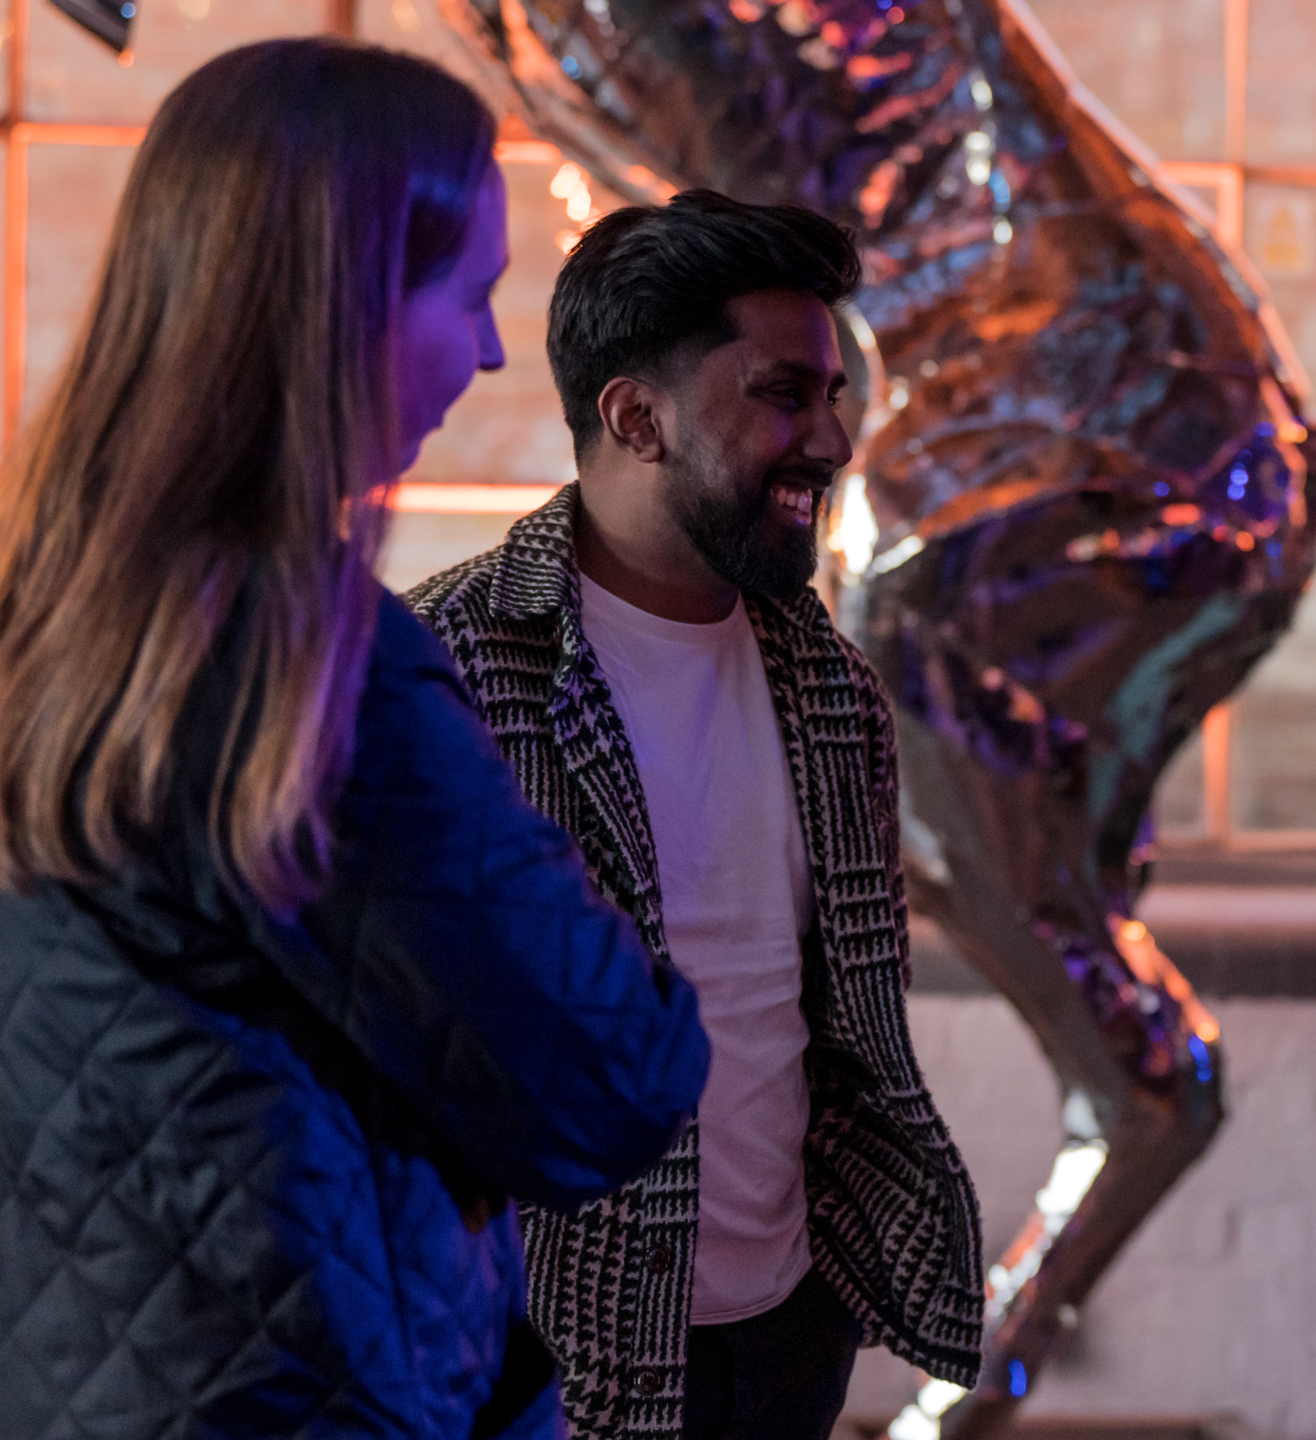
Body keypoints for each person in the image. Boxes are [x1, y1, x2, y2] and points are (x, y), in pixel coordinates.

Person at [0, 39, 710, 1438]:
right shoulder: (303, 663)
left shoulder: (33, 619)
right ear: (339, 305)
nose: (490, 352)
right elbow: (609, 1077)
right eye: (467, 296)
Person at [404, 191, 983, 1440]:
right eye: (783, 395)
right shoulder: (442, 665)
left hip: (788, 1332)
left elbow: (838, 1030)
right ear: (636, 416)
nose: (832, 440)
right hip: (538, 1355)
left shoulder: (832, 686)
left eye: (832, 396)